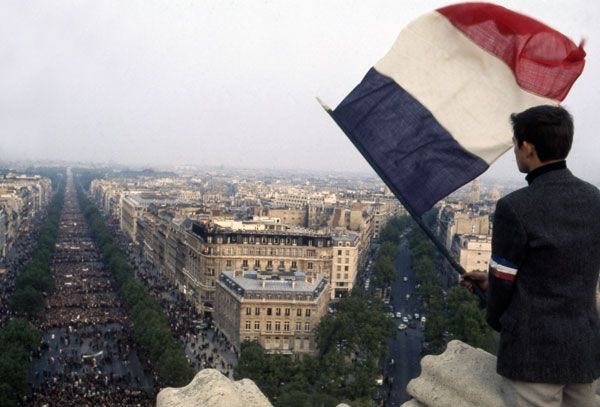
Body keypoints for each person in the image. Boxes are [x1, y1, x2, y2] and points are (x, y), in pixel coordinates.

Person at [463, 105, 600, 407]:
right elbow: (566, 268)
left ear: (527, 147)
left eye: (514, 144)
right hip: (582, 349)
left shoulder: (515, 207)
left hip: (533, 354)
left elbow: (502, 281)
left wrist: (496, 313)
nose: (515, 152)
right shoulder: (595, 200)